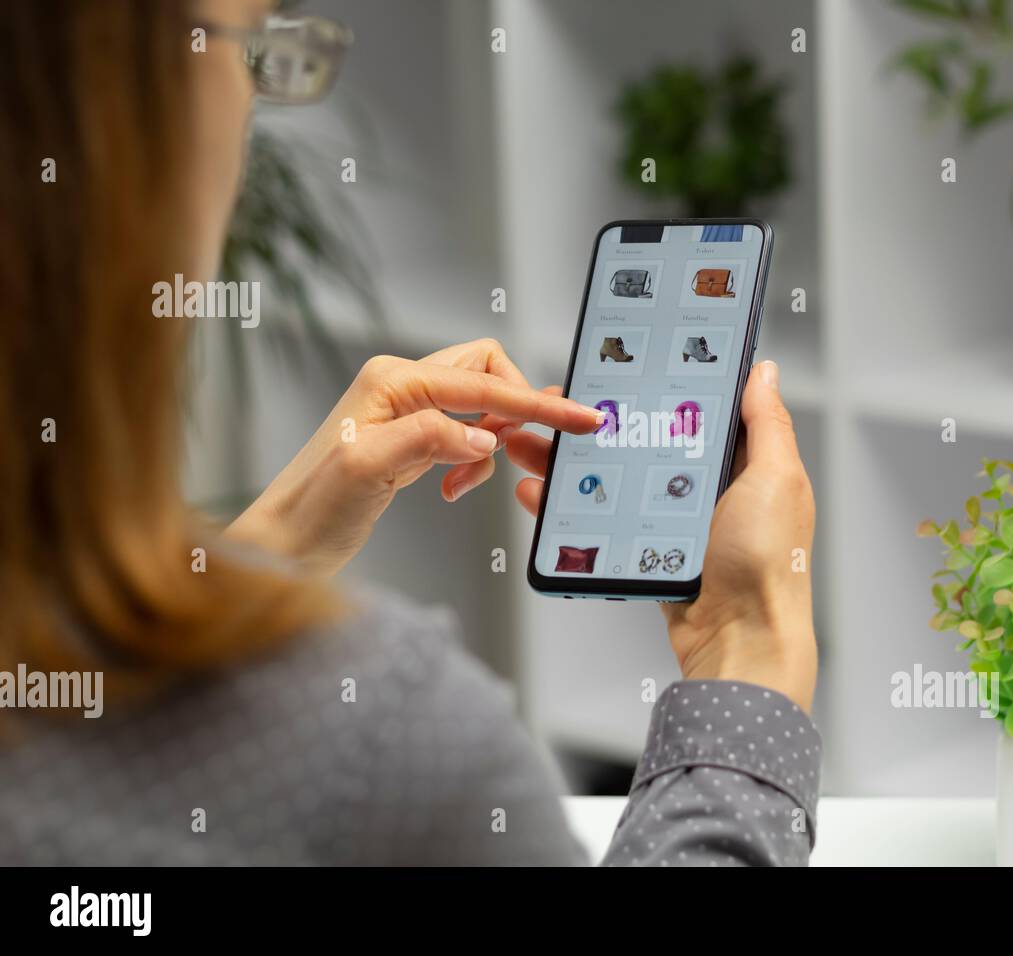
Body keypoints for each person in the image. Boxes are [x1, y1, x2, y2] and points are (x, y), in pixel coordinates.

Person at [0, 0, 819, 865]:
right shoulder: (383, 736)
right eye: (254, 53)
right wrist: (748, 647)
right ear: (125, 105)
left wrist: (266, 550)